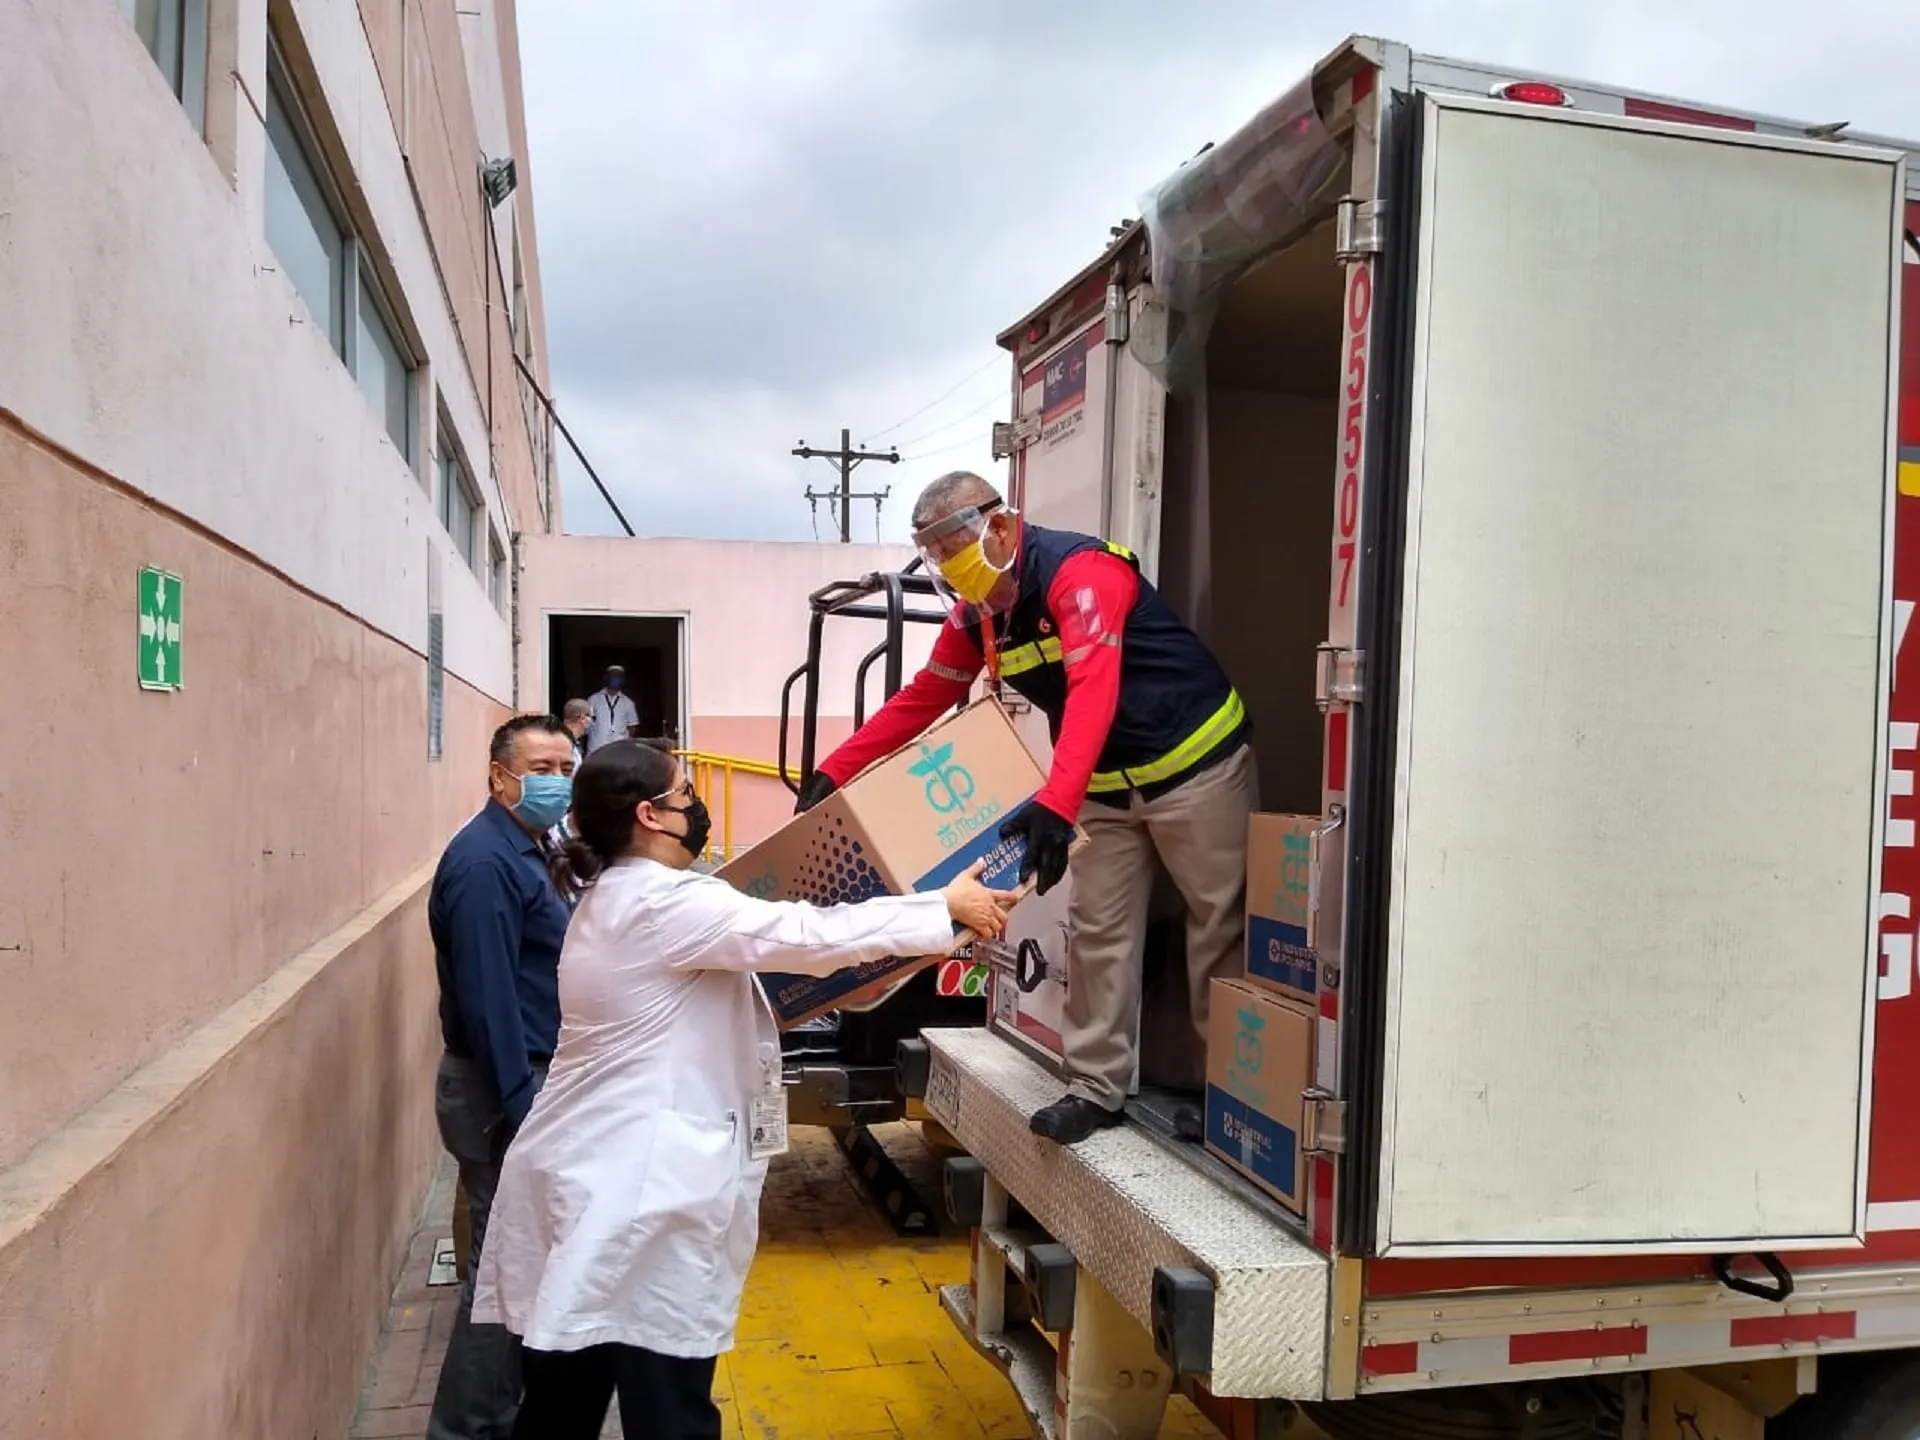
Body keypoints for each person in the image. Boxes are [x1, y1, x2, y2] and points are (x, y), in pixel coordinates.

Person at [471, 740, 1014, 1439]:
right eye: (686, 793)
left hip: (595, 1182)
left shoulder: (617, 897)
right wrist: (943, 906)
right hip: (639, 1198)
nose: (696, 804)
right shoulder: (665, 905)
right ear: (651, 816)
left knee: (562, 1404)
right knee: (668, 1412)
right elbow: (807, 933)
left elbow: (750, 977)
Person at [796, 472, 1255, 1146]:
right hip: (1106, 784)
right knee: (1099, 932)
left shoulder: (1083, 573)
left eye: (953, 552)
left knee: (1217, 931)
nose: (948, 573)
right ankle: (1096, 1089)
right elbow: (924, 697)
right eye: (935, 559)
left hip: (1199, 765)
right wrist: (835, 769)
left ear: (1000, 527)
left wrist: (1056, 803)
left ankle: (1236, 1104)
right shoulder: (980, 616)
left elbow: (1094, 688)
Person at [426, 714, 577, 1440]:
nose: (556, 780)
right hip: (500, 1091)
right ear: (499, 776)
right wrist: (525, 1109)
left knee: (516, 1268)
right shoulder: (485, 862)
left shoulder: (530, 845)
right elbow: (490, 1004)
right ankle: (466, 1429)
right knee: (499, 1278)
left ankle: (496, 1413)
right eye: (541, 768)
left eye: (564, 766)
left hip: (518, 1084)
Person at [585, 666, 640, 753]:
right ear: (606, 678)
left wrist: (624, 739)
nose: (615, 679)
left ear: (622, 680)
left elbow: (633, 725)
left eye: (619, 676)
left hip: (619, 751)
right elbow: (585, 722)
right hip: (596, 749)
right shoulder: (593, 699)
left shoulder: (628, 703)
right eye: (613, 676)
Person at [561, 697, 591, 769]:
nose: (591, 721)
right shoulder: (564, 743)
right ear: (583, 718)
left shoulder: (573, 742)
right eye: (592, 717)